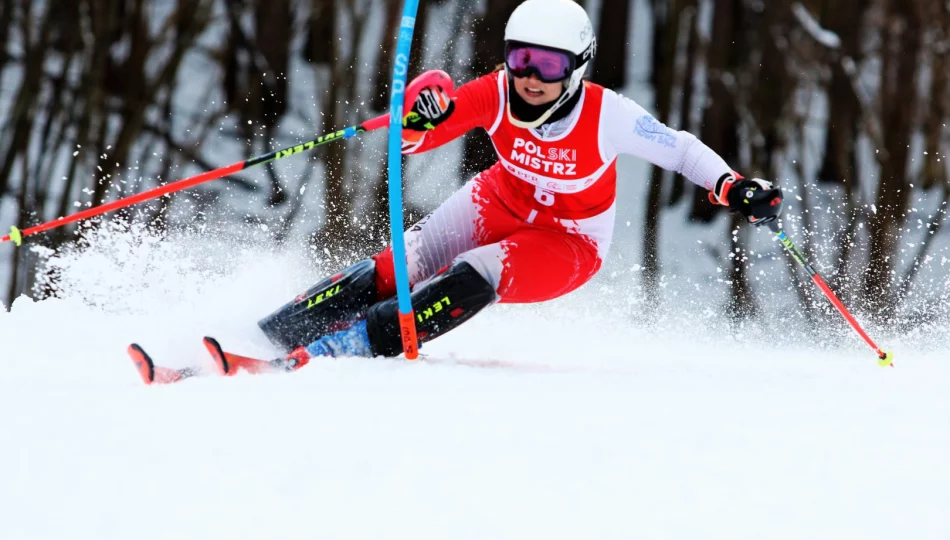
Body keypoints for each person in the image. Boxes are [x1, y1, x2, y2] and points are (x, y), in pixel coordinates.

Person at [257, 0, 784, 367]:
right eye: (521, 57)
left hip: (568, 242)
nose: (530, 76)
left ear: (576, 66)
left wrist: (733, 186)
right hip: (498, 199)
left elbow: (681, 149)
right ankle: (273, 333)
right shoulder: (498, 92)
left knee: (474, 272)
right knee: (401, 262)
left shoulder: (608, 115)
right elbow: (420, 138)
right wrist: (420, 115)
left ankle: (351, 347)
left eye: (549, 63)